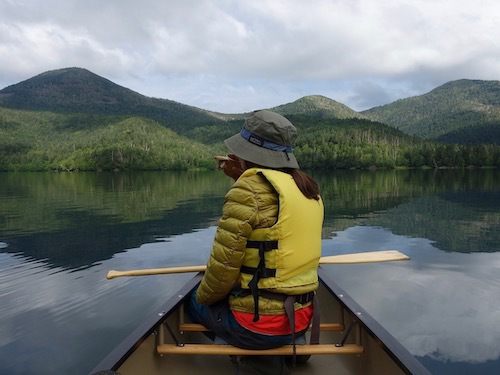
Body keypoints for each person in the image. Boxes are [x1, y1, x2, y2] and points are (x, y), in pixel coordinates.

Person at [187, 110, 324, 374]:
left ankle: (253, 358)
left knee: (193, 301)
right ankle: (295, 342)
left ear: (247, 151)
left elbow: (221, 273)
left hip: (259, 326)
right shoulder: (307, 188)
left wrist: (204, 298)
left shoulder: (247, 190)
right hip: (302, 317)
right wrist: (239, 177)